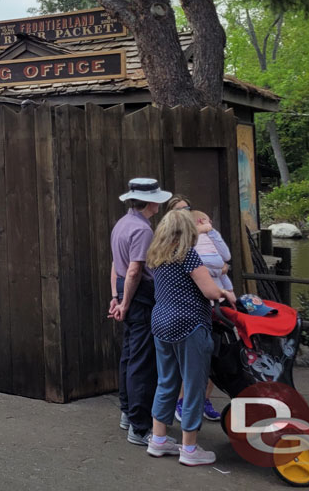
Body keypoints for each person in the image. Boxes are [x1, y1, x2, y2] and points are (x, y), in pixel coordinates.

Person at [146, 209, 236, 466]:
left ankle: (159, 441)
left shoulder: (156, 255)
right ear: (186, 231)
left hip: (161, 322)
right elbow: (209, 291)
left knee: (166, 382)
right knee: (194, 384)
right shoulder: (187, 255)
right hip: (189, 324)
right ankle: (189, 448)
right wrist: (225, 293)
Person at [108, 177, 170, 446]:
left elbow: (116, 264)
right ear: (152, 203)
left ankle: (127, 413)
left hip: (125, 288)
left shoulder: (122, 224)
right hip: (139, 292)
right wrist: (126, 301)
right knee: (142, 361)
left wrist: (116, 297)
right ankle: (140, 426)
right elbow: (135, 269)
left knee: (130, 353)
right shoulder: (143, 230)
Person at [166, 195, 232, 421]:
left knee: (215, 352)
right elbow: (201, 269)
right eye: (181, 211)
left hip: (218, 304)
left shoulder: (203, 234)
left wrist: (210, 232)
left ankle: (203, 398)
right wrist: (218, 271)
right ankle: (184, 402)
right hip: (198, 305)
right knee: (193, 359)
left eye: (188, 209)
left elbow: (225, 257)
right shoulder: (180, 243)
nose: (188, 214)